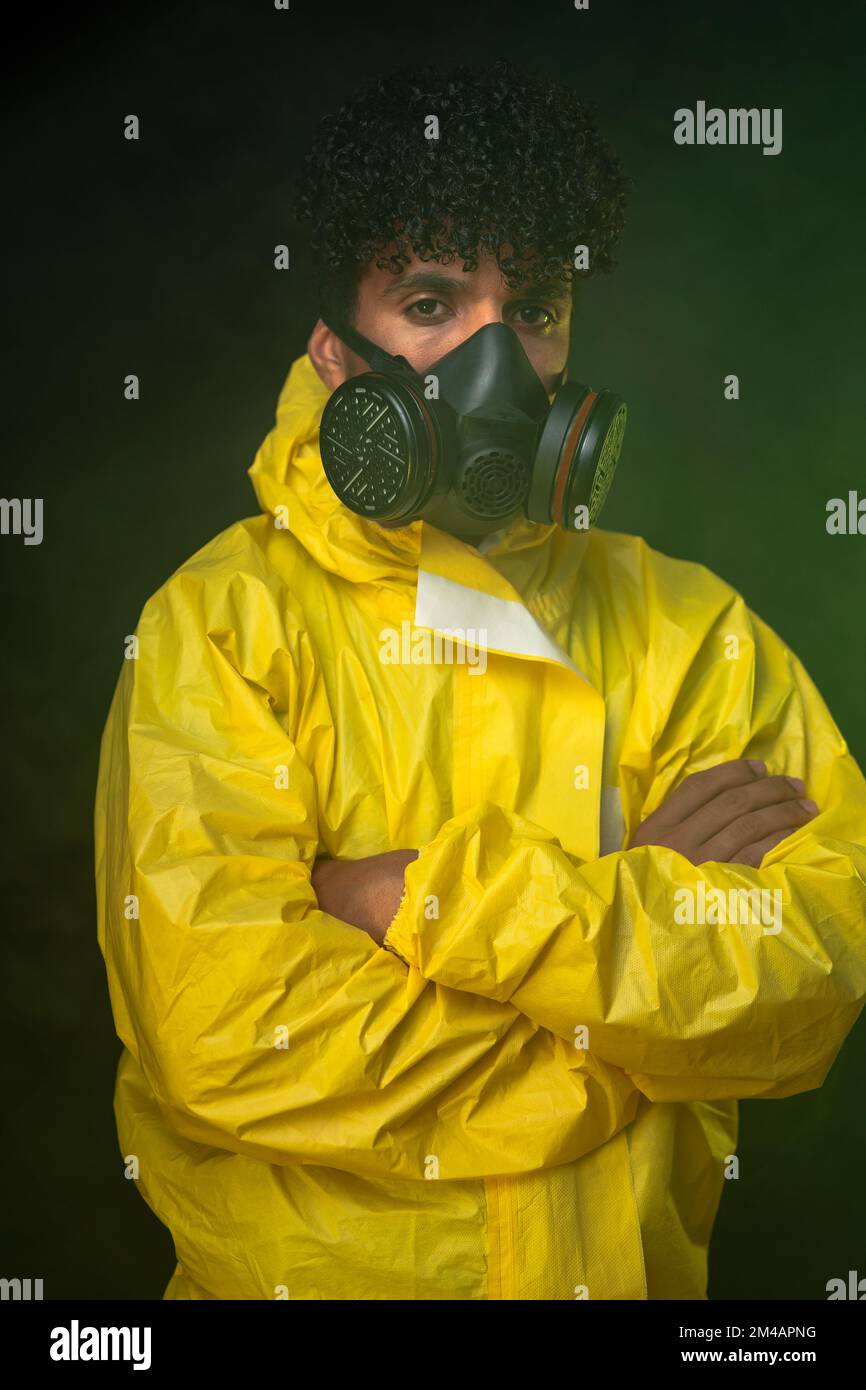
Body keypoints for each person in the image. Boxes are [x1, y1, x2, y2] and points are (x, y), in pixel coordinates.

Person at [94, 59, 866, 1301]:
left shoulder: (688, 628)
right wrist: (624, 1018)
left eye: (538, 306)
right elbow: (230, 1036)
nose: (498, 360)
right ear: (337, 353)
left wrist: (412, 898)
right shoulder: (221, 624)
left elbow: (816, 967)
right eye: (432, 300)